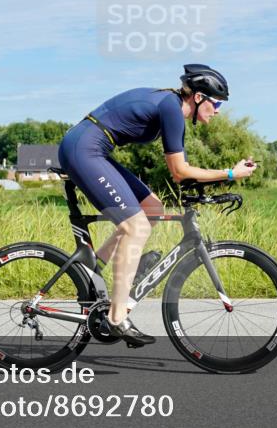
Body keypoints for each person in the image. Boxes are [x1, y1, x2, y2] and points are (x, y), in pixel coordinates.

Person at [56, 64, 258, 347]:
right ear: (198, 98)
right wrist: (230, 174)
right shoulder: (172, 109)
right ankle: (116, 319)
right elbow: (179, 171)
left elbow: (181, 173)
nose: (219, 110)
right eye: (217, 103)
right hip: (83, 149)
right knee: (135, 227)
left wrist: (215, 180)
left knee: (152, 208)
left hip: (92, 147)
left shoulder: (170, 107)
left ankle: (93, 269)